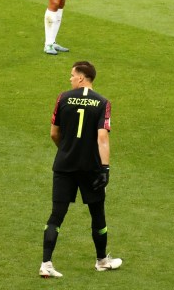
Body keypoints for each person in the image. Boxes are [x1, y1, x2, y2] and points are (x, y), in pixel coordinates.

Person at [39, 61, 122, 278]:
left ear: (82, 78)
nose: (70, 79)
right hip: (91, 169)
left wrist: (66, 150)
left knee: (57, 215)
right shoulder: (103, 102)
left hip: (64, 166)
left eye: (72, 75)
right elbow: (102, 137)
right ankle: (102, 260)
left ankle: (46, 263)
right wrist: (105, 168)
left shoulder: (63, 98)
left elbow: (53, 133)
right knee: (97, 215)